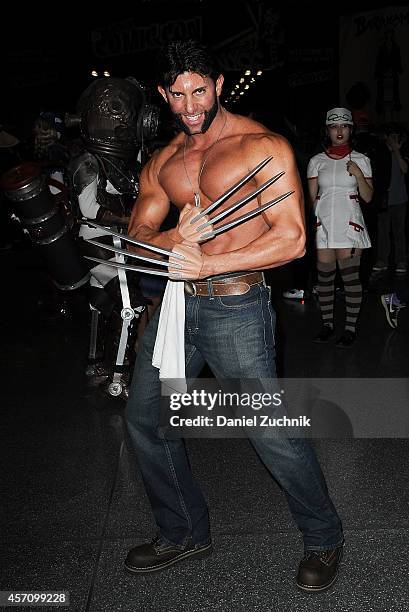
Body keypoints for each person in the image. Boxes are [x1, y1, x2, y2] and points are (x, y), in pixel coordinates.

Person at [124, 40, 344, 592]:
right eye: (178, 94)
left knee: (268, 430)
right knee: (146, 420)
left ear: (219, 85)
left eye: (200, 90)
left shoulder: (260, 146)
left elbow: (291, 240)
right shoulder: (165, 162)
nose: (190, 105)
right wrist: (177, 239)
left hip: (236, 305)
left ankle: (324, 536)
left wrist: (207, 261)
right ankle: (183, 533)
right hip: (177, 305)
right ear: (164, 95)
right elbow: (138, 239)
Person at [307, 107, 373, 347]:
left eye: (344, 126)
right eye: (334, 127)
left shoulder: (362, 160)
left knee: (350, 279)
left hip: (349, 225)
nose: (339, 131)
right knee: (324, 279)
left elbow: (368, 197)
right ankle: (327, 325)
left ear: (351, 129)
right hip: (323, 226)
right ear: (328, 130)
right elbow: (312, 198)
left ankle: (349, 328)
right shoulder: (316, 161)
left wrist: (358, 175)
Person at [372, 122, 408, 276]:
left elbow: (405, 169)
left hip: (400, 200)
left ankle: (401, 260)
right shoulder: (379, 152)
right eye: (391, 136)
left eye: (396, 136)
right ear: (386, 137)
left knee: (399, 232)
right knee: (383, 232)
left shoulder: (402, 151)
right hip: (384, 200)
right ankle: (382, 260)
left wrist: (397, 151)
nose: (394, 139)